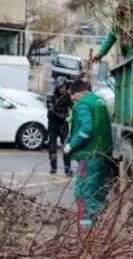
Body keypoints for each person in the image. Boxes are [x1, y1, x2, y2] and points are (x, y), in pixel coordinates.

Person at [64, 79, 114, 228]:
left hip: (89, 153)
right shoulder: (99, 100)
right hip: (103, 152)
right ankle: (97, 222)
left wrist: (70, 145)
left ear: (78, 92)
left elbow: (86, 129)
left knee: (84, 189)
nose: (72, 99)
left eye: (72, 96)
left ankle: (85, 226)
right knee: (99, 188)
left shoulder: (83, 104)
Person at [45, 77, 74, 176]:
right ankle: (53, 167)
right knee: (52, 146)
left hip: (63, 124)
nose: (63, 89)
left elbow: (72, 106)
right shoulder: (51, 96)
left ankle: (67, 168)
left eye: (65, 87)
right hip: (53, 123)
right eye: (61, 87)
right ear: (57, 87)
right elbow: (51, 109)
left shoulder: (67, 96)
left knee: (66, 146)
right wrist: (61, 115)